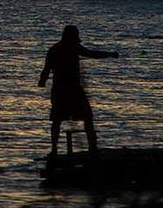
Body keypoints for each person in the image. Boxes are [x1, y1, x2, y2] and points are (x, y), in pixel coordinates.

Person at [39, 24, 119, 158]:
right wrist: (110, 54)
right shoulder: (73, 48)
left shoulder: (54, 50)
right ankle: (91, 149)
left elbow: (46, 69)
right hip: (73, 90)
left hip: (60, 91)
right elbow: (91, 53)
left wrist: (42, 81)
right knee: (86, 118)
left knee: (58, 121)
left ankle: (54, 150)